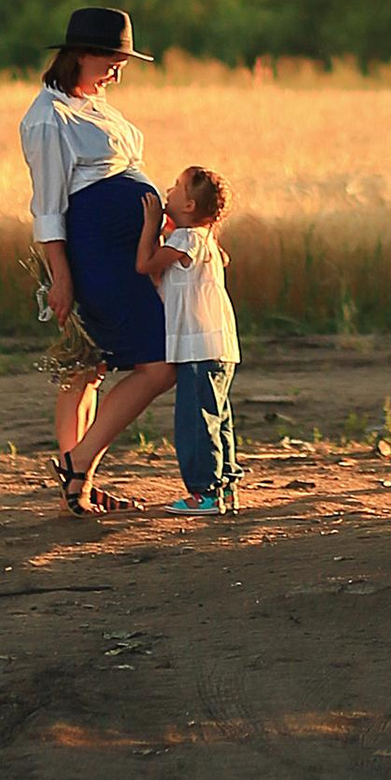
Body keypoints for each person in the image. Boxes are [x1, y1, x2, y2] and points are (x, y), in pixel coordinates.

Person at [19, 6, 175, 514]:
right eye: (112, 58)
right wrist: (61, 278)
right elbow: (47, 207)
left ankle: (76, 483)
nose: (118, 69)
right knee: (160, 363)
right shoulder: (49, 117)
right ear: (81, 54)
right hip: (96, 251)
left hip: (128, 248)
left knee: (90, 364)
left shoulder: (100, 106)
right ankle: (79, 465)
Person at [141, 166, 240, 517]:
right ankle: (225, 487)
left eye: (176, 188)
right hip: (219, 345)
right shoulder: (204, 239)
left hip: (197, 347)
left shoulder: (185, 240)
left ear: (189, 205)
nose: (167, 191)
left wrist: (151, 223)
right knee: (216, 416)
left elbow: (144, 265)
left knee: (194, 421)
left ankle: (203, 493)